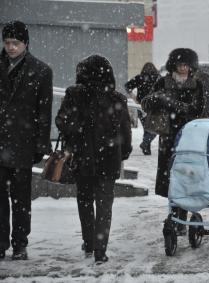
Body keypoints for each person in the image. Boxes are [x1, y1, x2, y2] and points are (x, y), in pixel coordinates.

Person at [55, 55, 132, 264]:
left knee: (85, 201)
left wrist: (78, 128)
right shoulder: (117, 99)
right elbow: (125, 131)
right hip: (109, 159)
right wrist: (123, 152)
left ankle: (89, 242)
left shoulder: (74, 94)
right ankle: (100, 250)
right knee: (105, 203)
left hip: (82, 158)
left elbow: (61, 122)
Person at [0, 21, 53, 260]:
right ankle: (0, 243)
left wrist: (41, 145)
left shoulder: (41, 71)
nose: (10, 47)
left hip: (23, 143)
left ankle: (20, 243)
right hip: (1, 141)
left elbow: (44, 111)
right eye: (7, 42)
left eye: (15, 43)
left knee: (21, 198)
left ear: (25, 43)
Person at [141, 48, 204, 235]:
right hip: (167, 136)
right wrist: (158, 98)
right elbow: (146, 103)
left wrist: (174, 104)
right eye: (180, 64)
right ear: (173, 65)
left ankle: (181, 218)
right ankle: (174, 215)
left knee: (185, 176)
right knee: (171, 177)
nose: (183, 68)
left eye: (186, 65)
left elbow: (198, 110)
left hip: (188, 136)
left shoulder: (196, 85)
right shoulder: (163, 82)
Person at [125, 62, 160, 155]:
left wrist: (134, 97)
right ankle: (145, 145)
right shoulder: (158, 78)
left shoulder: (139, 77)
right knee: (155, 128)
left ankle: (146, 146)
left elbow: (127, 86)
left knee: (147, 128)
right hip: (154, 107)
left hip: (142, 106)